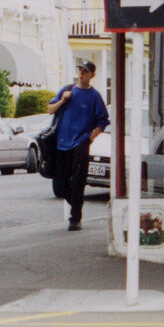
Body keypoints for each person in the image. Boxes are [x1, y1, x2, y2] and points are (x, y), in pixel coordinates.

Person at [46, 59, 111, 231]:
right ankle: (75, 202)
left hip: (80, 143)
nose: (81, 74)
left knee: (78, 182)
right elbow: (50, 109)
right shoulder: (67, 90)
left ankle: (75, 219)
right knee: (60, 185)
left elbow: (103, 121)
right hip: (61, 143)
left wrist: (90, 138)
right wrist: (63, 100)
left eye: (85, 71)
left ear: (92, 75)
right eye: (79, 70)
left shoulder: (95, 96)